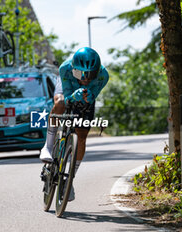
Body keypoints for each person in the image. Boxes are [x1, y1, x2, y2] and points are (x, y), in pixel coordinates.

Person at [39, 47, 109, 201]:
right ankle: (48, 147)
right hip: (67, 90)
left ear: (97, 72)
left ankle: (69, 179)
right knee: (60, 103)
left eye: (90, 75)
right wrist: (73, 96)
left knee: (82, 135)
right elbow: (67, 97)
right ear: (74, 69)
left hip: (84, 97)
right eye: (81, 73)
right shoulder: (65, 68)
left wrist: (88, 98)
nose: (85, 78)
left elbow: (91, 99)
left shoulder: (103, 76)